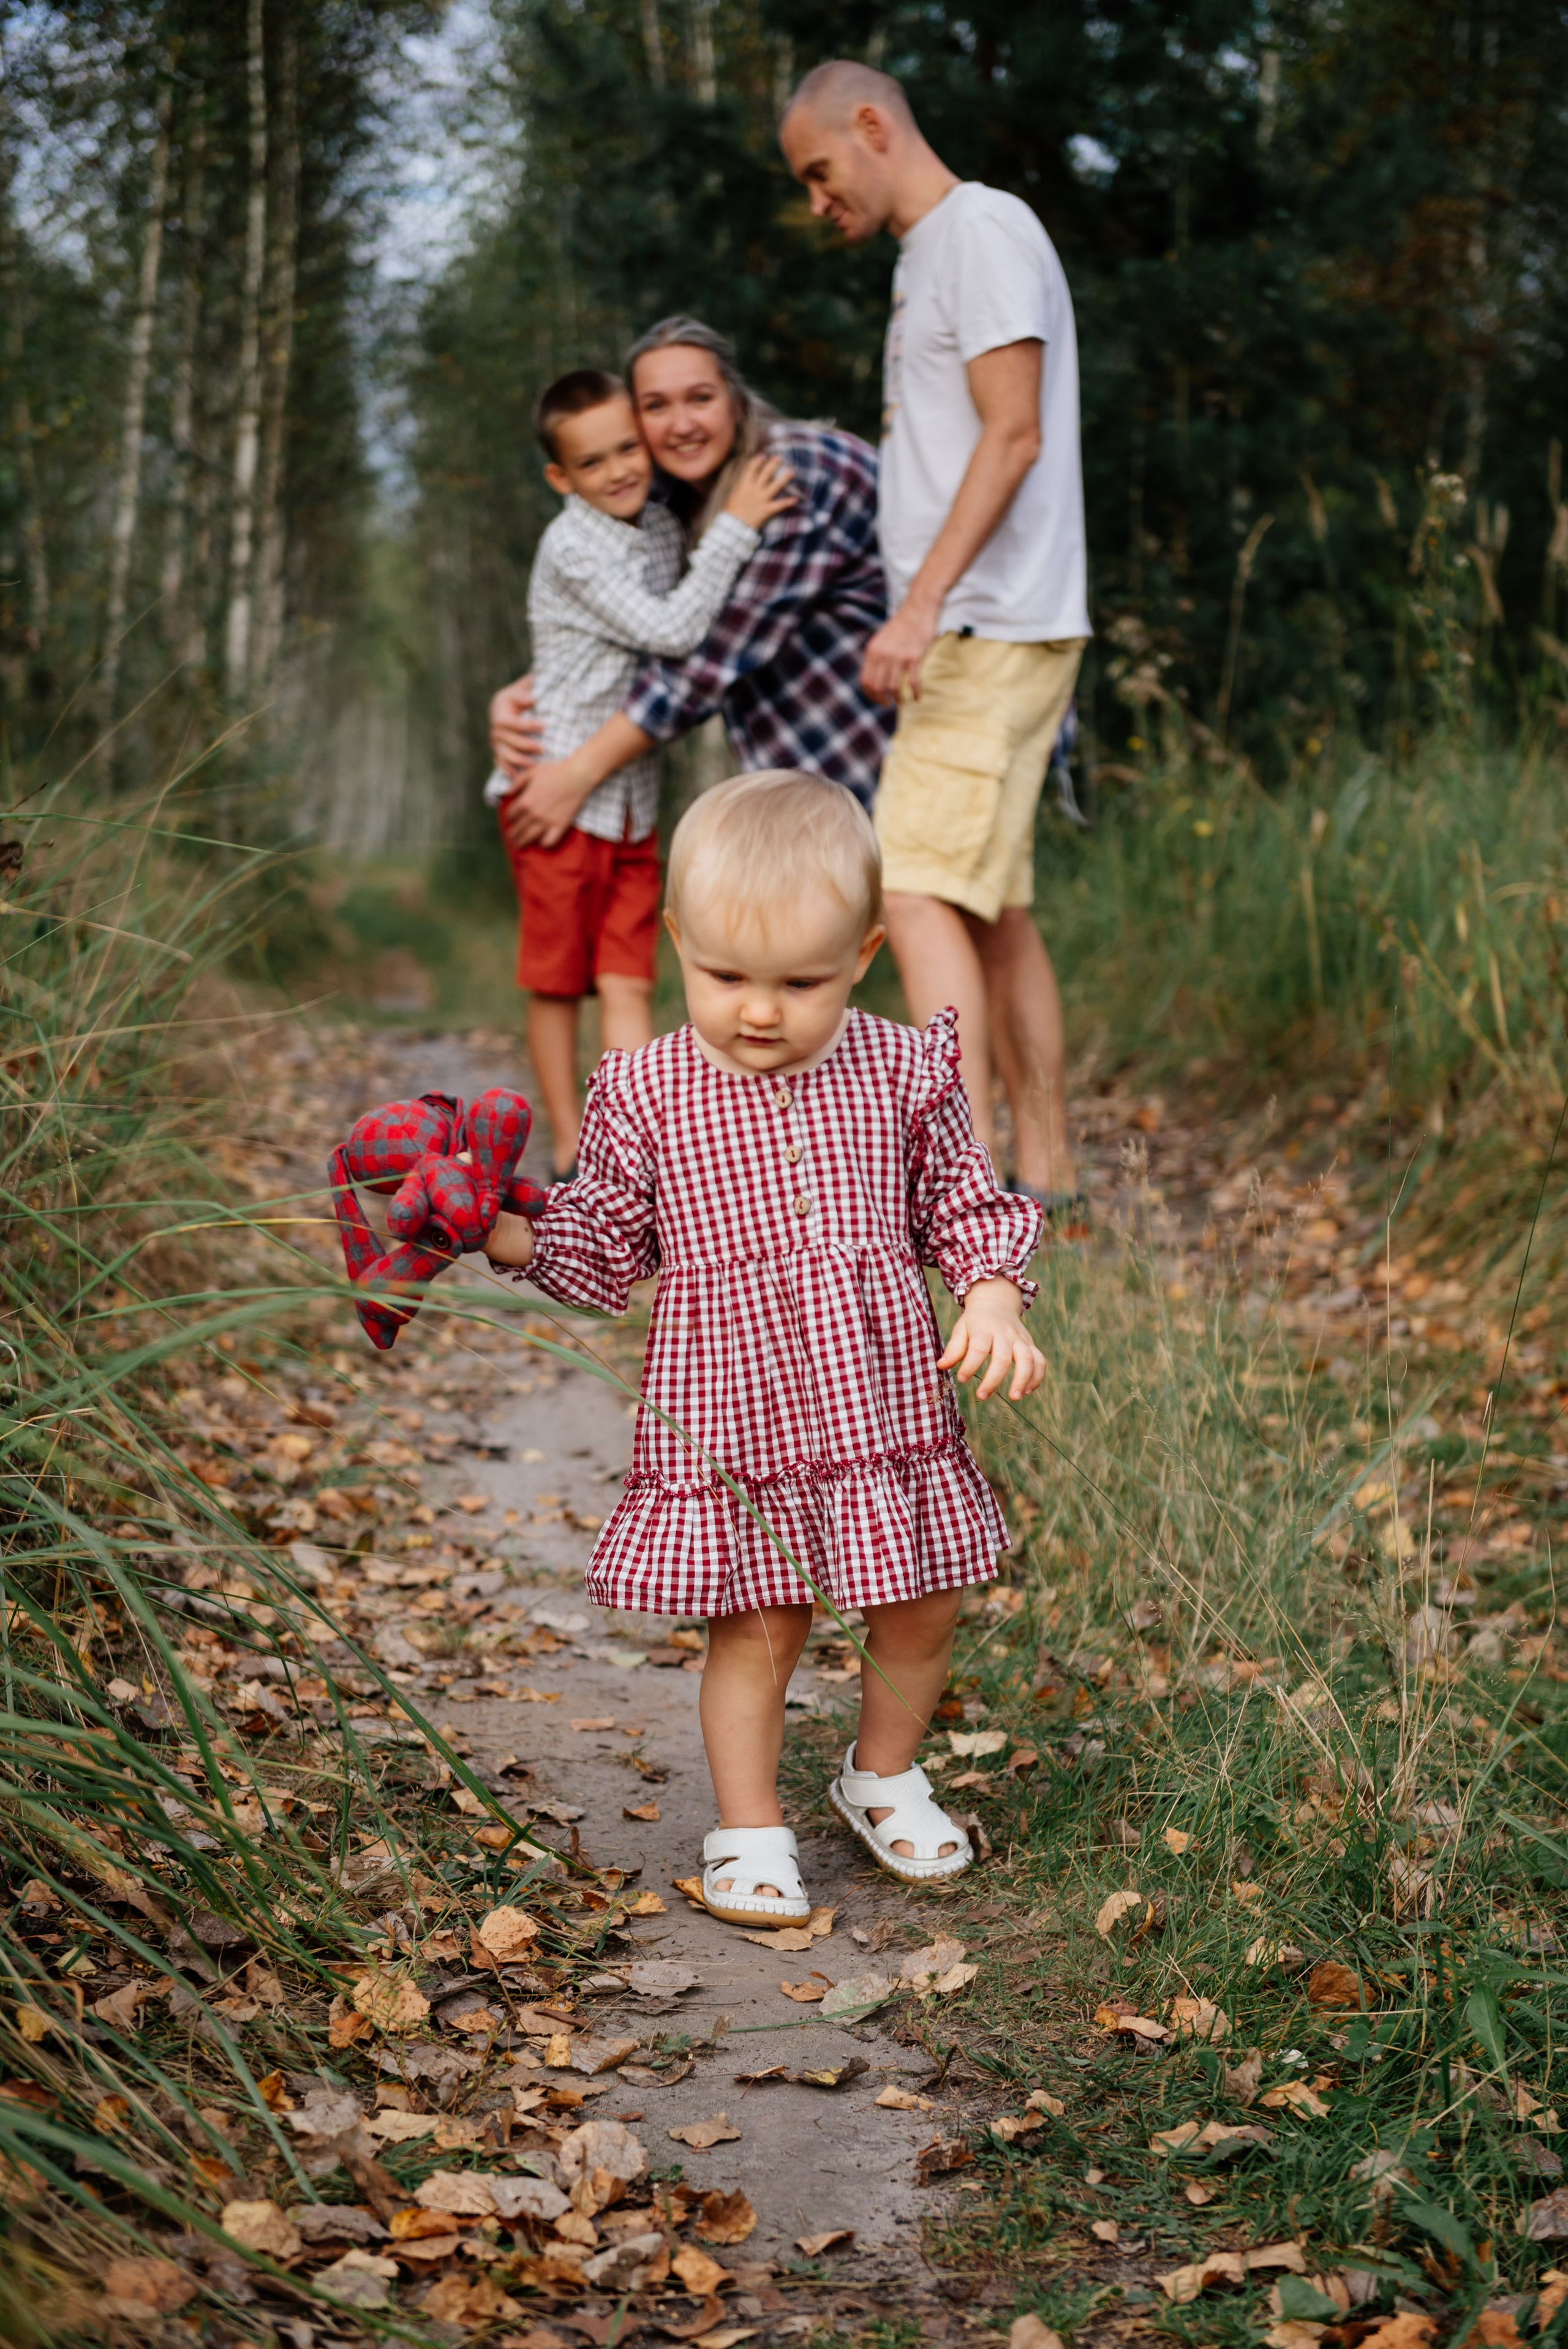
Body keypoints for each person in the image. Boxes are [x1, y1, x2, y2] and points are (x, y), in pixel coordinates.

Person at [481, 771, 1044, 1918]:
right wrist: (497, 1228)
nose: (758, 1010)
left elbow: (966, 1204)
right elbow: (599, 1245)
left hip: (882, 1403)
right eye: (725, 976)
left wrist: (990, 1296)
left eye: (801, 982)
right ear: (680, 942)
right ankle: (748, 1825)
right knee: (759, 1620)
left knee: (927, 1598)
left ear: (866, 955)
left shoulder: (901, 1071)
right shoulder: (645, 1090)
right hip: (737, 1410)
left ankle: (881, 1773)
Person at [780, 62, 1091, 1227]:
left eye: (820, 171)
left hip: (984, 628)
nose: (818, 201)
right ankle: (1046, 1172)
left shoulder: (983, 229)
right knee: (990, 908)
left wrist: (919, 612)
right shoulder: (928, 257)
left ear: (873, 126)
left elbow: (1012, 439)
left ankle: (949, 1199)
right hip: (984, 628)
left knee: (909, 889)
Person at [490, 368, 795, 1177]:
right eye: (594, 462)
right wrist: (734, 528)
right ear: (562, 478)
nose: (621, 469)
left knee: (629, 977)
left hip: (628, 803)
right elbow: (670, 628)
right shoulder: (573, 546)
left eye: (630, 448)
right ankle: (565, 1145)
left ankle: (624, 1156)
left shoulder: (659, 524)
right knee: (559, 983)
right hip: (555, 798)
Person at [488, 317, 895, 862]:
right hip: (813, 756)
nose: (681, 424)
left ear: (734, 397)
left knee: (946, 915)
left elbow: (703, 660)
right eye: (655, 407)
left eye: (700, 398)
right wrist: (533, 693)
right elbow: (635, 622)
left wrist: (576, 774)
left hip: (901, 733)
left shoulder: (787, 474)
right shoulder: (667, 501)